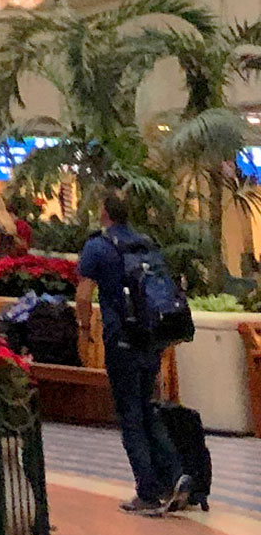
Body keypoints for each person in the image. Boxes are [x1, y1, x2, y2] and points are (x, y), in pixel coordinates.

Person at [77, 187, 191, 517]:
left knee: (130, 416)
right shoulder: (145, 243)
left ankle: (147, 492)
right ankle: (175, 475)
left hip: (121, 339)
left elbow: (84, 296)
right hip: (150, 338)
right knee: (148, 409)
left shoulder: (97, 247)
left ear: (104, 213)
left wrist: (85, 332)